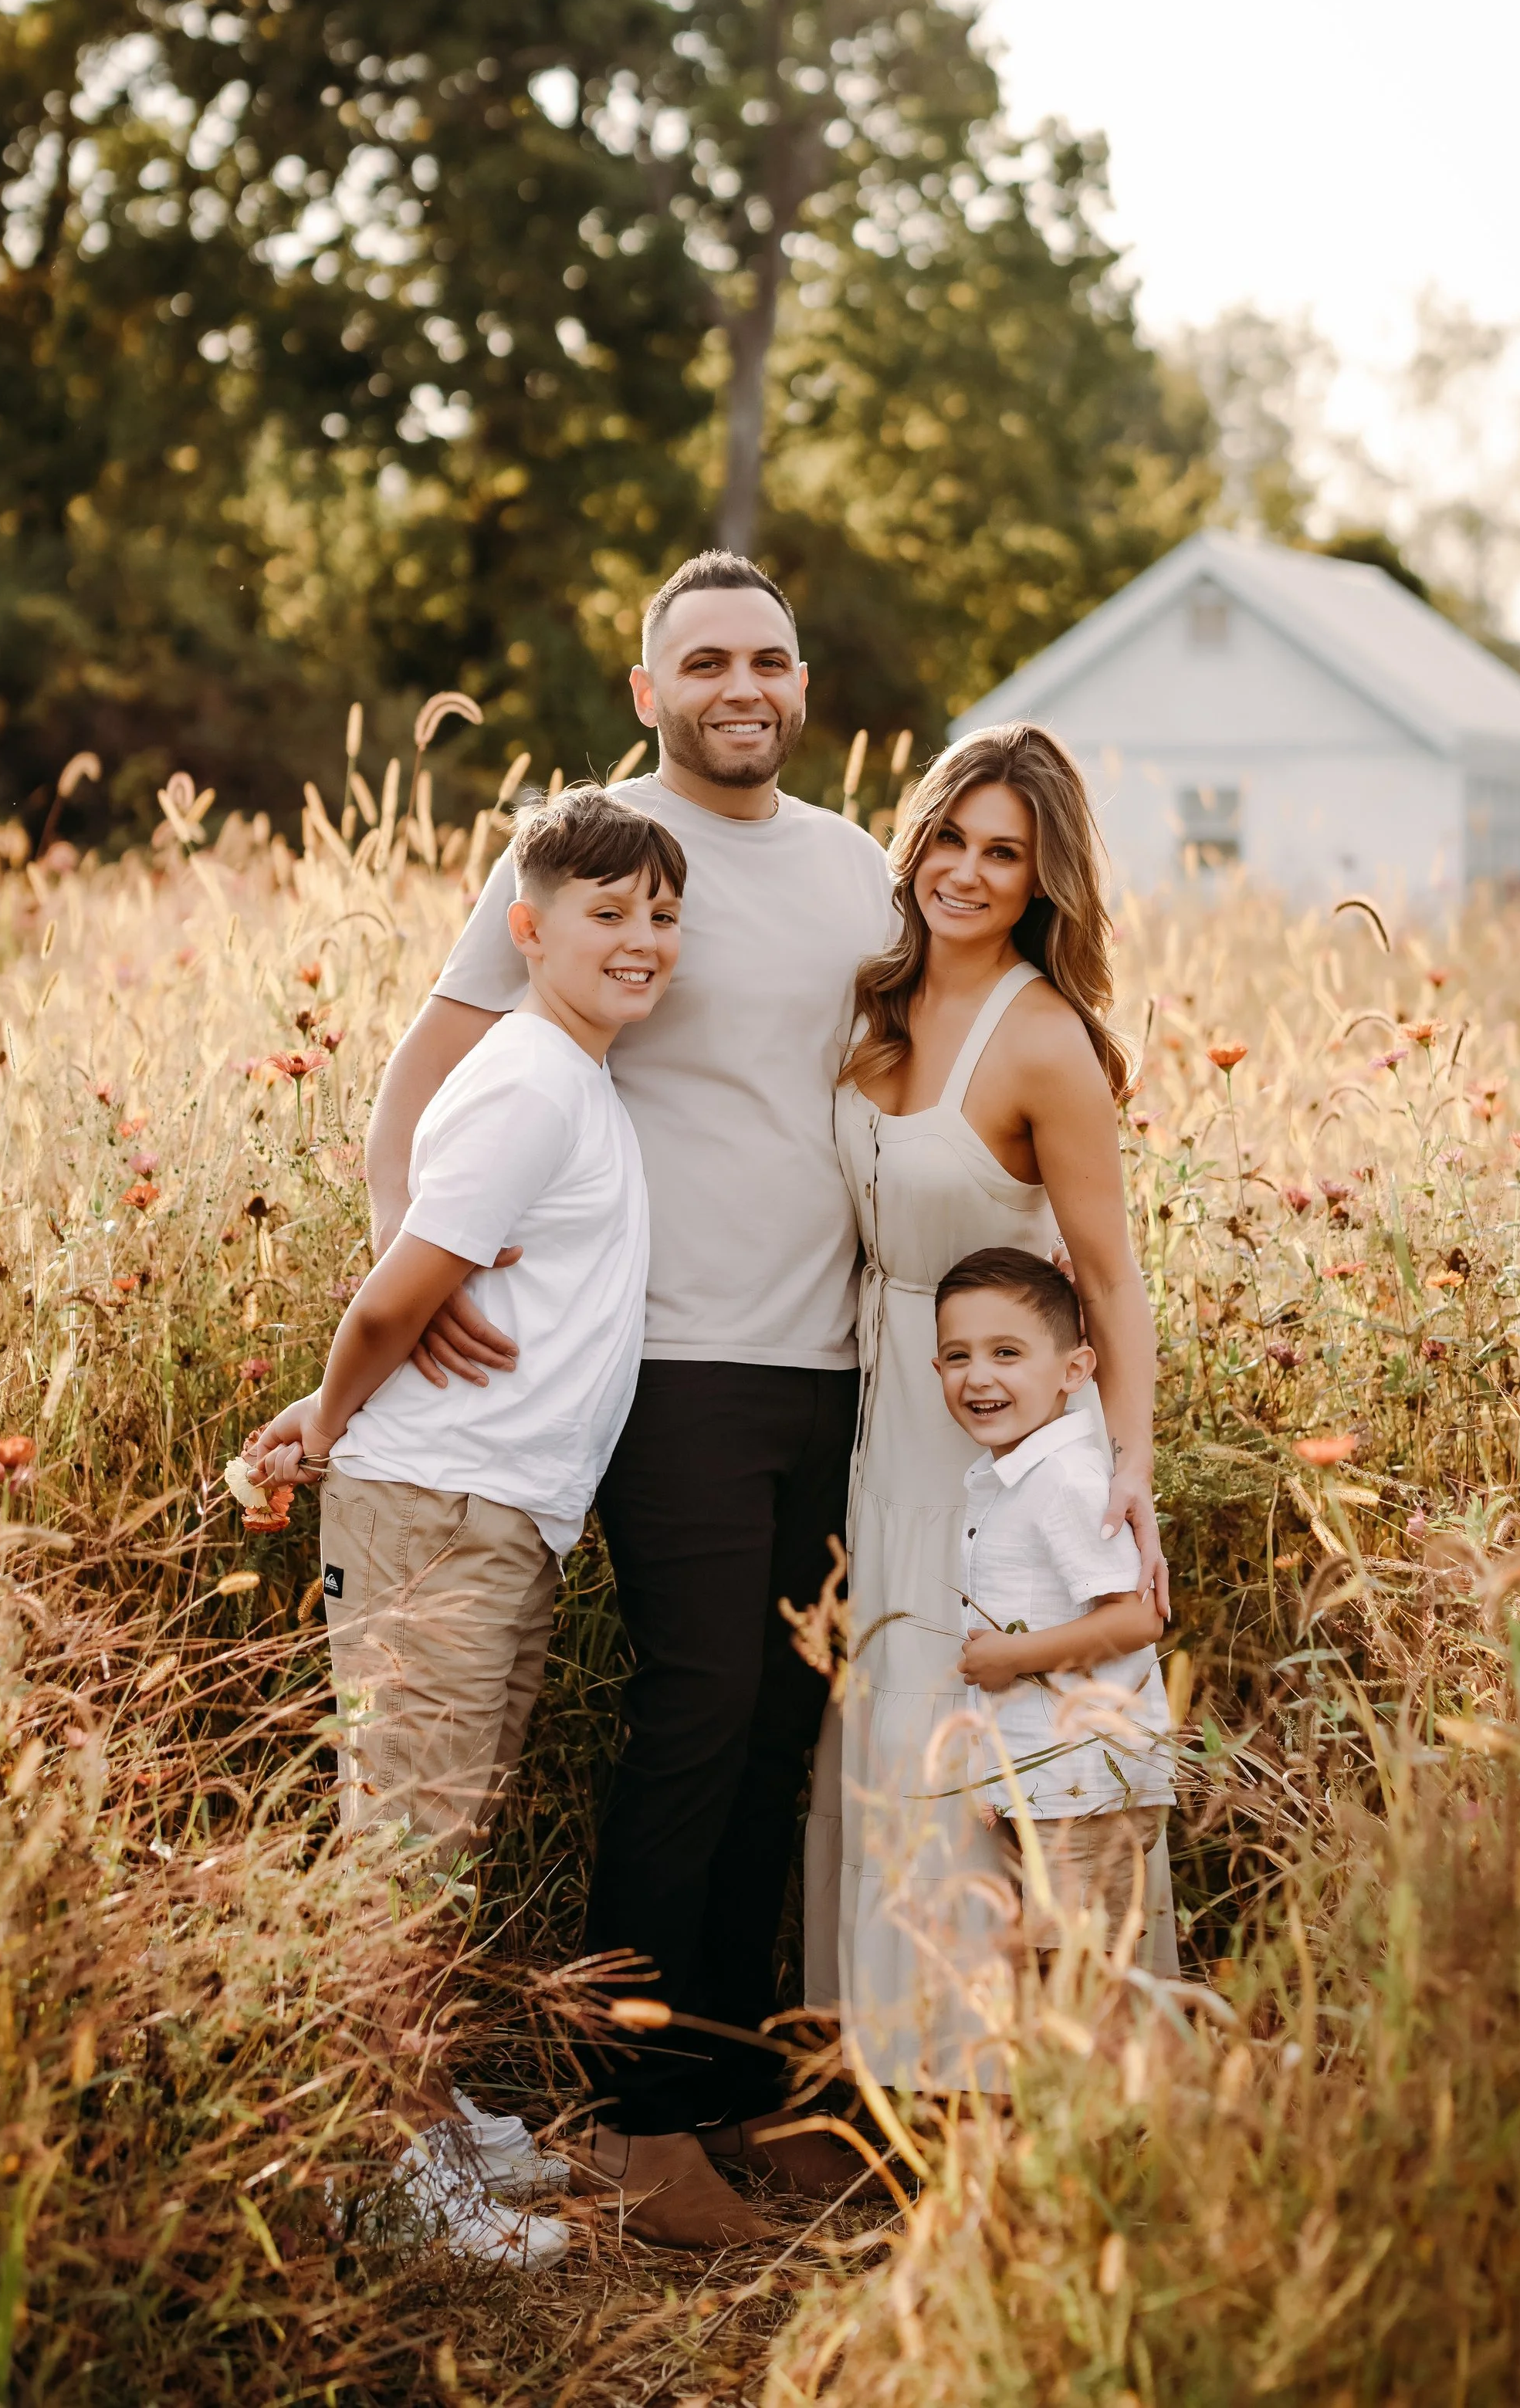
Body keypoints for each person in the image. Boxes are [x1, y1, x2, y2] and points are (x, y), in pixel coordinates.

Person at [363, 550, 897, 2250]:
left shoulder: (856, 867)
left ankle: (736, 2094)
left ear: (800, 684)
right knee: (692, 1712)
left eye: (772, 659)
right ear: (647, 686)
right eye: (707, 662)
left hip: (830, 1360)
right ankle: (629, 2124)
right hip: (661, 1363)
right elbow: (423, 1072)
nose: (743, 686)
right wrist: (410, 1263)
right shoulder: (588, 847)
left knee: (775, 1732)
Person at [241, 780, 685, 2264]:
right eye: (607, 912)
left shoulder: (577, 1078)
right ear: (529, 927)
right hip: (436, 1501)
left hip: (501, 1510)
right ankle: (372, 2168)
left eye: (661, 914)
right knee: (407, 1846)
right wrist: (327, 1413)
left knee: (447, 1830)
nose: (640, 938)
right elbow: (394, 1293)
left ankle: (417, 2110)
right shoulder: (525, 1077)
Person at [807, 720, 1174, 2092]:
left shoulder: (1045, 1041)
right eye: (949, 838)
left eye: (1002, 852)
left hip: (990, 1431)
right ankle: (880, 2065)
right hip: (872, 1399)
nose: (965, 871)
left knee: (967, 1718)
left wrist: (1124, 1467)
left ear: (1042, 878)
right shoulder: (874, 1001)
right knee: (882, 1707)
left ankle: (988, 2078)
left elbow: (1112, 1280)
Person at [936, 1246, 1175, 1954]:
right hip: (1046, 1783)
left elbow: (1138, 1617)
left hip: (1087, 1786)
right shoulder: (1011, 1478)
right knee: (1057, 1973)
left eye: (1007, 1352)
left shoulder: (1066, 1482)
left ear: (1075, 1369)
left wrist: (1012, 1656)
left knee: (1083, 1977)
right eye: (956, 1356)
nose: (979, 1377)